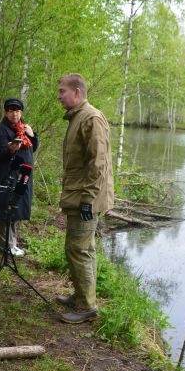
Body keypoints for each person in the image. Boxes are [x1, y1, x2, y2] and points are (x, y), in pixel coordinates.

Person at [56, 73, 114, 324]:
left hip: (85, 197)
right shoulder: (79, 117)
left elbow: (98, 163)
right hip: (80, 194)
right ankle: (82, 296)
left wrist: (88, 199)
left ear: (77, 92)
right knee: (83, 248)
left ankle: (86, 306)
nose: (59, 97)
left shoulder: (91, 118)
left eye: (62, 91)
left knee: (78, 248)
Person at [0, 98, 39, 257]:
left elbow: (33, 149)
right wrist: (10, 149)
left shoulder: (24, 129)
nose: (14, 114)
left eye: (17, 111)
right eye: (11, 111)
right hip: (6, 175)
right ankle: (6, 245)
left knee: (15, 209)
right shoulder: (0, 131)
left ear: (21, 112)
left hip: (22, 175)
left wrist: (33, 136)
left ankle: (12, 243)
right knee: (5, 210)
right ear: (5, 112)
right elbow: (1, 154)